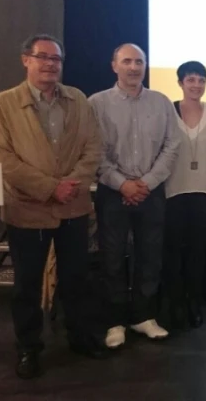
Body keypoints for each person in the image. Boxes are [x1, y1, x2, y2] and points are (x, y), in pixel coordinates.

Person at [0, 34, 107, 378]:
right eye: (43, 57)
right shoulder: (2, 105)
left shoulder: (78, 100)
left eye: (57, 59)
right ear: (26, 60)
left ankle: (80, 337)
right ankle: (28, 348)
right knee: (27, 285)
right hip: (28, 210)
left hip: (73, 209)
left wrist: (72, 185)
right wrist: (51, 188)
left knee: (76, 279)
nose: (51, 64)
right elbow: (3, 159)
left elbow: (93, 148)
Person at [89, 43, 180, 349]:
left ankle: (144, 316)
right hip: (112, 193)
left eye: (139, 61)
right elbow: (93, 151)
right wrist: (122, 184)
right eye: (126, 61)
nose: (133, 67)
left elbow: (172, 145)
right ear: (114, 65)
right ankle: (115, 321)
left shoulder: (162, 102)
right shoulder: (96, 104)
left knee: (150, 256)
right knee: (112, 258)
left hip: (150, 192)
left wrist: (146, 183)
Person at [162, 61, 206, 330]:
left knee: (198, 251)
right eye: (191, 79)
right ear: (181, 83)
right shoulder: (168, 111)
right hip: (173, 190)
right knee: (173, 252)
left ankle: (194, 302)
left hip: (204, 191)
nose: (196, 85)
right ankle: (174, 303)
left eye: (201, 80)